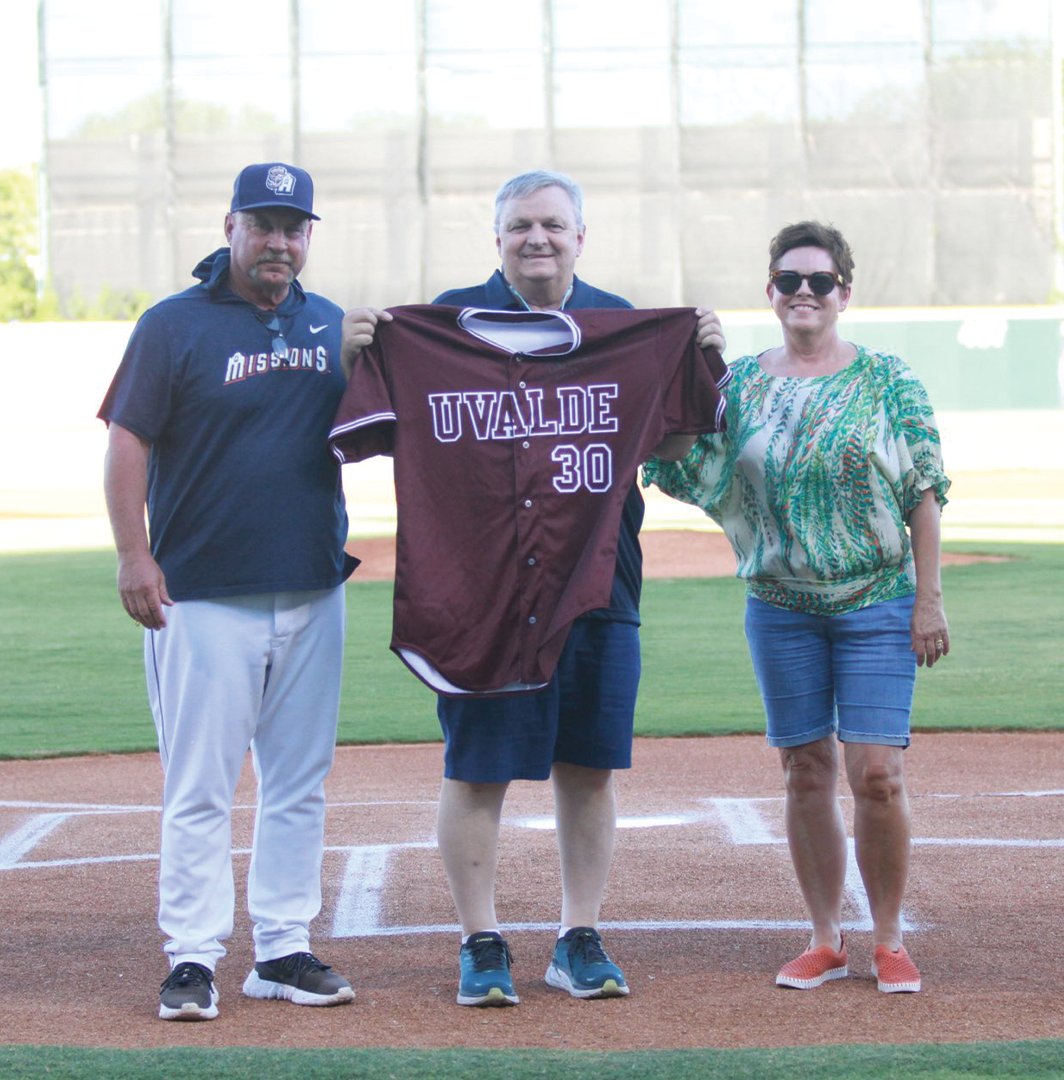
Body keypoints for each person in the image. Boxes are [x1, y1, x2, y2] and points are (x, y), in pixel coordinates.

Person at [342, 170, 727, 1007]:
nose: (537, 239)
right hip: (476, 589)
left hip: (598, 580)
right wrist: (361, 352)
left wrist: (701, 352)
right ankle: (481, 942)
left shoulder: (621, 326)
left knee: (587, 766)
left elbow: (683, 445)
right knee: (476, 767)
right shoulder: (434, 328)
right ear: (498, 239)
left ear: (580, 236)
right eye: (520, 226)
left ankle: (576, 937)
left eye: (553, 224)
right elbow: (360, 437)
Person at [644, 221, 951, 994]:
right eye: (790, 281)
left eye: (820, 281)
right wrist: (687, 369)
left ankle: (888, 939)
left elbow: (923, 493)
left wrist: (929, 601)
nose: (804, 293)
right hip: (781, 606)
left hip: (878, 601)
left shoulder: (887, 380)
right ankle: (824, 936)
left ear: (845, 293)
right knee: (806, 771)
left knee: (876, 774)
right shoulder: (740, 384)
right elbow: (684, 462)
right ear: (771, 293)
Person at [98, 162, 358, 1021]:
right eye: (264, 224)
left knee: (298, 782)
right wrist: (136, 556)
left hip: (314, 588)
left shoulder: (330, 325)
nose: (280, 241)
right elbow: (128, 442)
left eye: (295, 227)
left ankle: (281, 948)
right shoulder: (173, 325)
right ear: (231, 227)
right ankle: (194, 957)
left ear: (308, 236)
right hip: (202, 594)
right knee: (200, 786)